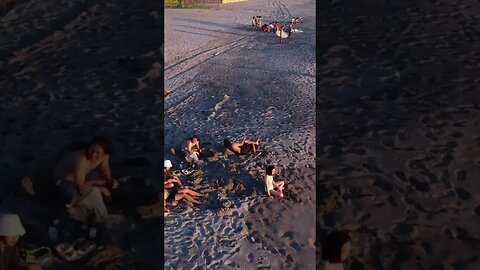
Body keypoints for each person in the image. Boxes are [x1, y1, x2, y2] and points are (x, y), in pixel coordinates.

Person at [53, 136, 119, 204]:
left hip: (84, 175)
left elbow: (105, 168)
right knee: (76, 194)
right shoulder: (81, 159)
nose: (93, 154)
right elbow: (80, 187)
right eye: (92, 150)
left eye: (97, 153)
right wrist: (102, 190)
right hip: (64, 181)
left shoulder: (105, 156)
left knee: (111, 183)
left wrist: (109, 179)